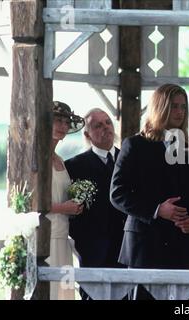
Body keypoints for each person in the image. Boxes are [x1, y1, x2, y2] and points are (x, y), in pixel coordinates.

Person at [110, 84, 189, 300]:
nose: (180, 112)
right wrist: (157, 210)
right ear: (160, 107)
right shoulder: (135, 145)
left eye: (183, 107)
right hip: (145, 246)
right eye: (174, 106)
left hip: (182, 247)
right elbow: (117, 193)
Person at [65, 108, 126, 300]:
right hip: (92, 250)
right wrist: (83, 240)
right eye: (98, 125)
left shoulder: (129, 159)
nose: (105, 128)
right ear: (87, 134)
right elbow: (72, 209)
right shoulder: (74, 165)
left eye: (108, 122)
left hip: (125, 248)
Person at [47, 101, 85, 300]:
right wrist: (64, 207)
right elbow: (29, 203)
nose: (63, 126)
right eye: (58, 121)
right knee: (49, 291)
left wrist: (75, 204)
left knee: (65, 293)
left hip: (63, 236)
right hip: (45, 237)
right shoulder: (37, 157)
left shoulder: (60, 159)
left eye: (65, 122)